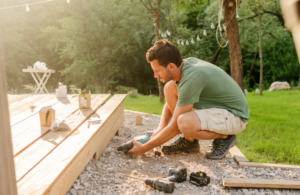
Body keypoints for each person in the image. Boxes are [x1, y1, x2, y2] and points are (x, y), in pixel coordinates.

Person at [128, 39, 249, 160]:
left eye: (157, 71)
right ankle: (189, 142)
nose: (155, 76)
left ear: (170, 66)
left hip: (236, 116)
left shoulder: (191, 79)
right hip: (222, 112)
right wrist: (161, 128)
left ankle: (226, 136)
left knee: (184, 123)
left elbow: (176, 127)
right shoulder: (184, 66)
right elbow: (174, 103)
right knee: (169, 87)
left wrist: (144, 148)